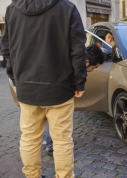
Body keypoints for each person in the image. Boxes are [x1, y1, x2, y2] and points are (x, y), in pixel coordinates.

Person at [1, 0, 87, 177]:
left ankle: (32, 175)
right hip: (60, 89)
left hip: (27, 89)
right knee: (62, 140)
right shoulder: (67, 8)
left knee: (29, 138)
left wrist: (15, 79)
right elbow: (78, 50)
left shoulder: (11, 10)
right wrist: (79, 82)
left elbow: (6, 49)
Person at [42, 43, 105, 156]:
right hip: (53, 91)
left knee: (36, 128)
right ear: (87, 62)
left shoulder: (68, 53)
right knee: (56, 120)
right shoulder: (72, 64)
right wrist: (78, 87)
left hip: (36, 88)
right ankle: (51, 145)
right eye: (93, 67)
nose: (91, 71)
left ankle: (47, 141)